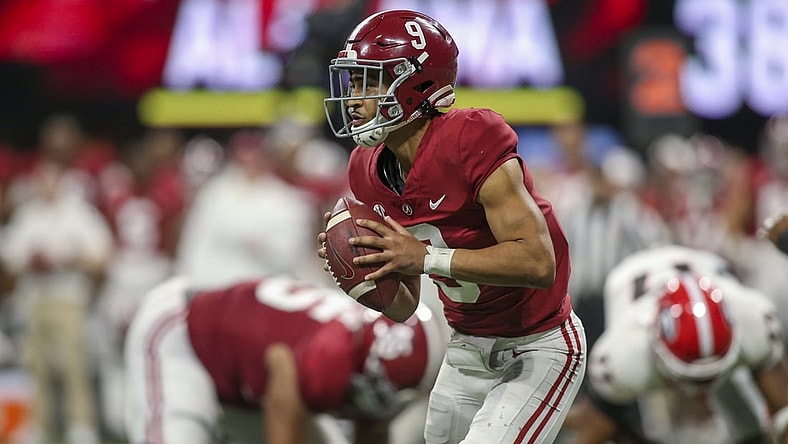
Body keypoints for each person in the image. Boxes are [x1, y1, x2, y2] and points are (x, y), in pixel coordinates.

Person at [318, 9, 586, 444]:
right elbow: (405, 307)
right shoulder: (365, 169)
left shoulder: (470, 136)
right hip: (466, 348)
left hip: (537, 343)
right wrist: (361, 274)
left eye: (369, 81)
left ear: (415, 84)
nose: (353, 98)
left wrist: (426, 258)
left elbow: (539, 261)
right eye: (353, 82)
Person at [123, 273, 446, 444]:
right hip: (183, 335)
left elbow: (372, 427)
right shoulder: (330, 354)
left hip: (247, 371)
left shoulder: (361, 344)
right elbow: (283, 403)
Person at [563, 245, 788, 444]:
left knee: (751, 429)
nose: (700, 388)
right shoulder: (623, 356)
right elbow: (598, 429)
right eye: (691, 378)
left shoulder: (754, 322)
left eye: (708, 377)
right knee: (604, 421)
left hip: (706, 264)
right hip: (628, 277)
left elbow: (783, 415)